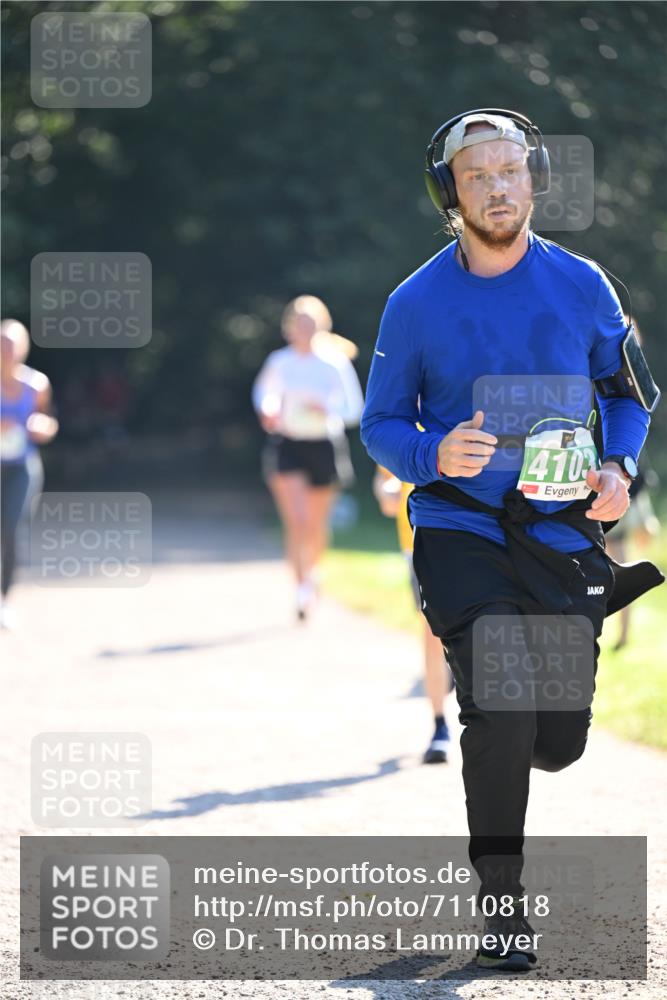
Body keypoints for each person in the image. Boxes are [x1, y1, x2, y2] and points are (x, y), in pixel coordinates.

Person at [361, 110, 663, 971]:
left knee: (556, 740)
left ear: (531, 178)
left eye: (510, 170)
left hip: (561, 530)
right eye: (476, 175)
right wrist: (430, 452)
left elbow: (631, 395)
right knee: (497, 697)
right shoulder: (414, 302)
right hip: (458, 528)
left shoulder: (583, 284)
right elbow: (380, 424)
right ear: (448, 193)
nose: (497, 186)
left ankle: (517, 735)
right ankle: (500, 906)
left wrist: (617, 466)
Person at [252, 296, 364, 620]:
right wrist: (268, 409)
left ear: (321, 326)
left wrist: (325, 409)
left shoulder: (334, 364)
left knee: (315, 525)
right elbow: (264, 394)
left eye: (310, 323)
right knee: (297, 521)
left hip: (324, 446)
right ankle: (301, 592)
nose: (304, 329)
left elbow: (353, 409)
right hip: (287, 445)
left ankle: (313, 573)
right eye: (298, 323)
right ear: (290, 328)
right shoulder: (279, 362)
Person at [373, 464, 454, 764]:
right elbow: (384, 478)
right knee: (433, 631)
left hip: (472, 536)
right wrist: (386, 490)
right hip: (419, 542)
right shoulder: (405, 417)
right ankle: (439, 726)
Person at [1, 319, 59, 628]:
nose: (6, 351)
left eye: (11, 345)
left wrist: (42, 427)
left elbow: (48, 422)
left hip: (21, 468)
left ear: (22, 349)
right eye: (1, 344)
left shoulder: (36, 385)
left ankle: (4, 600)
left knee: (10, 530)